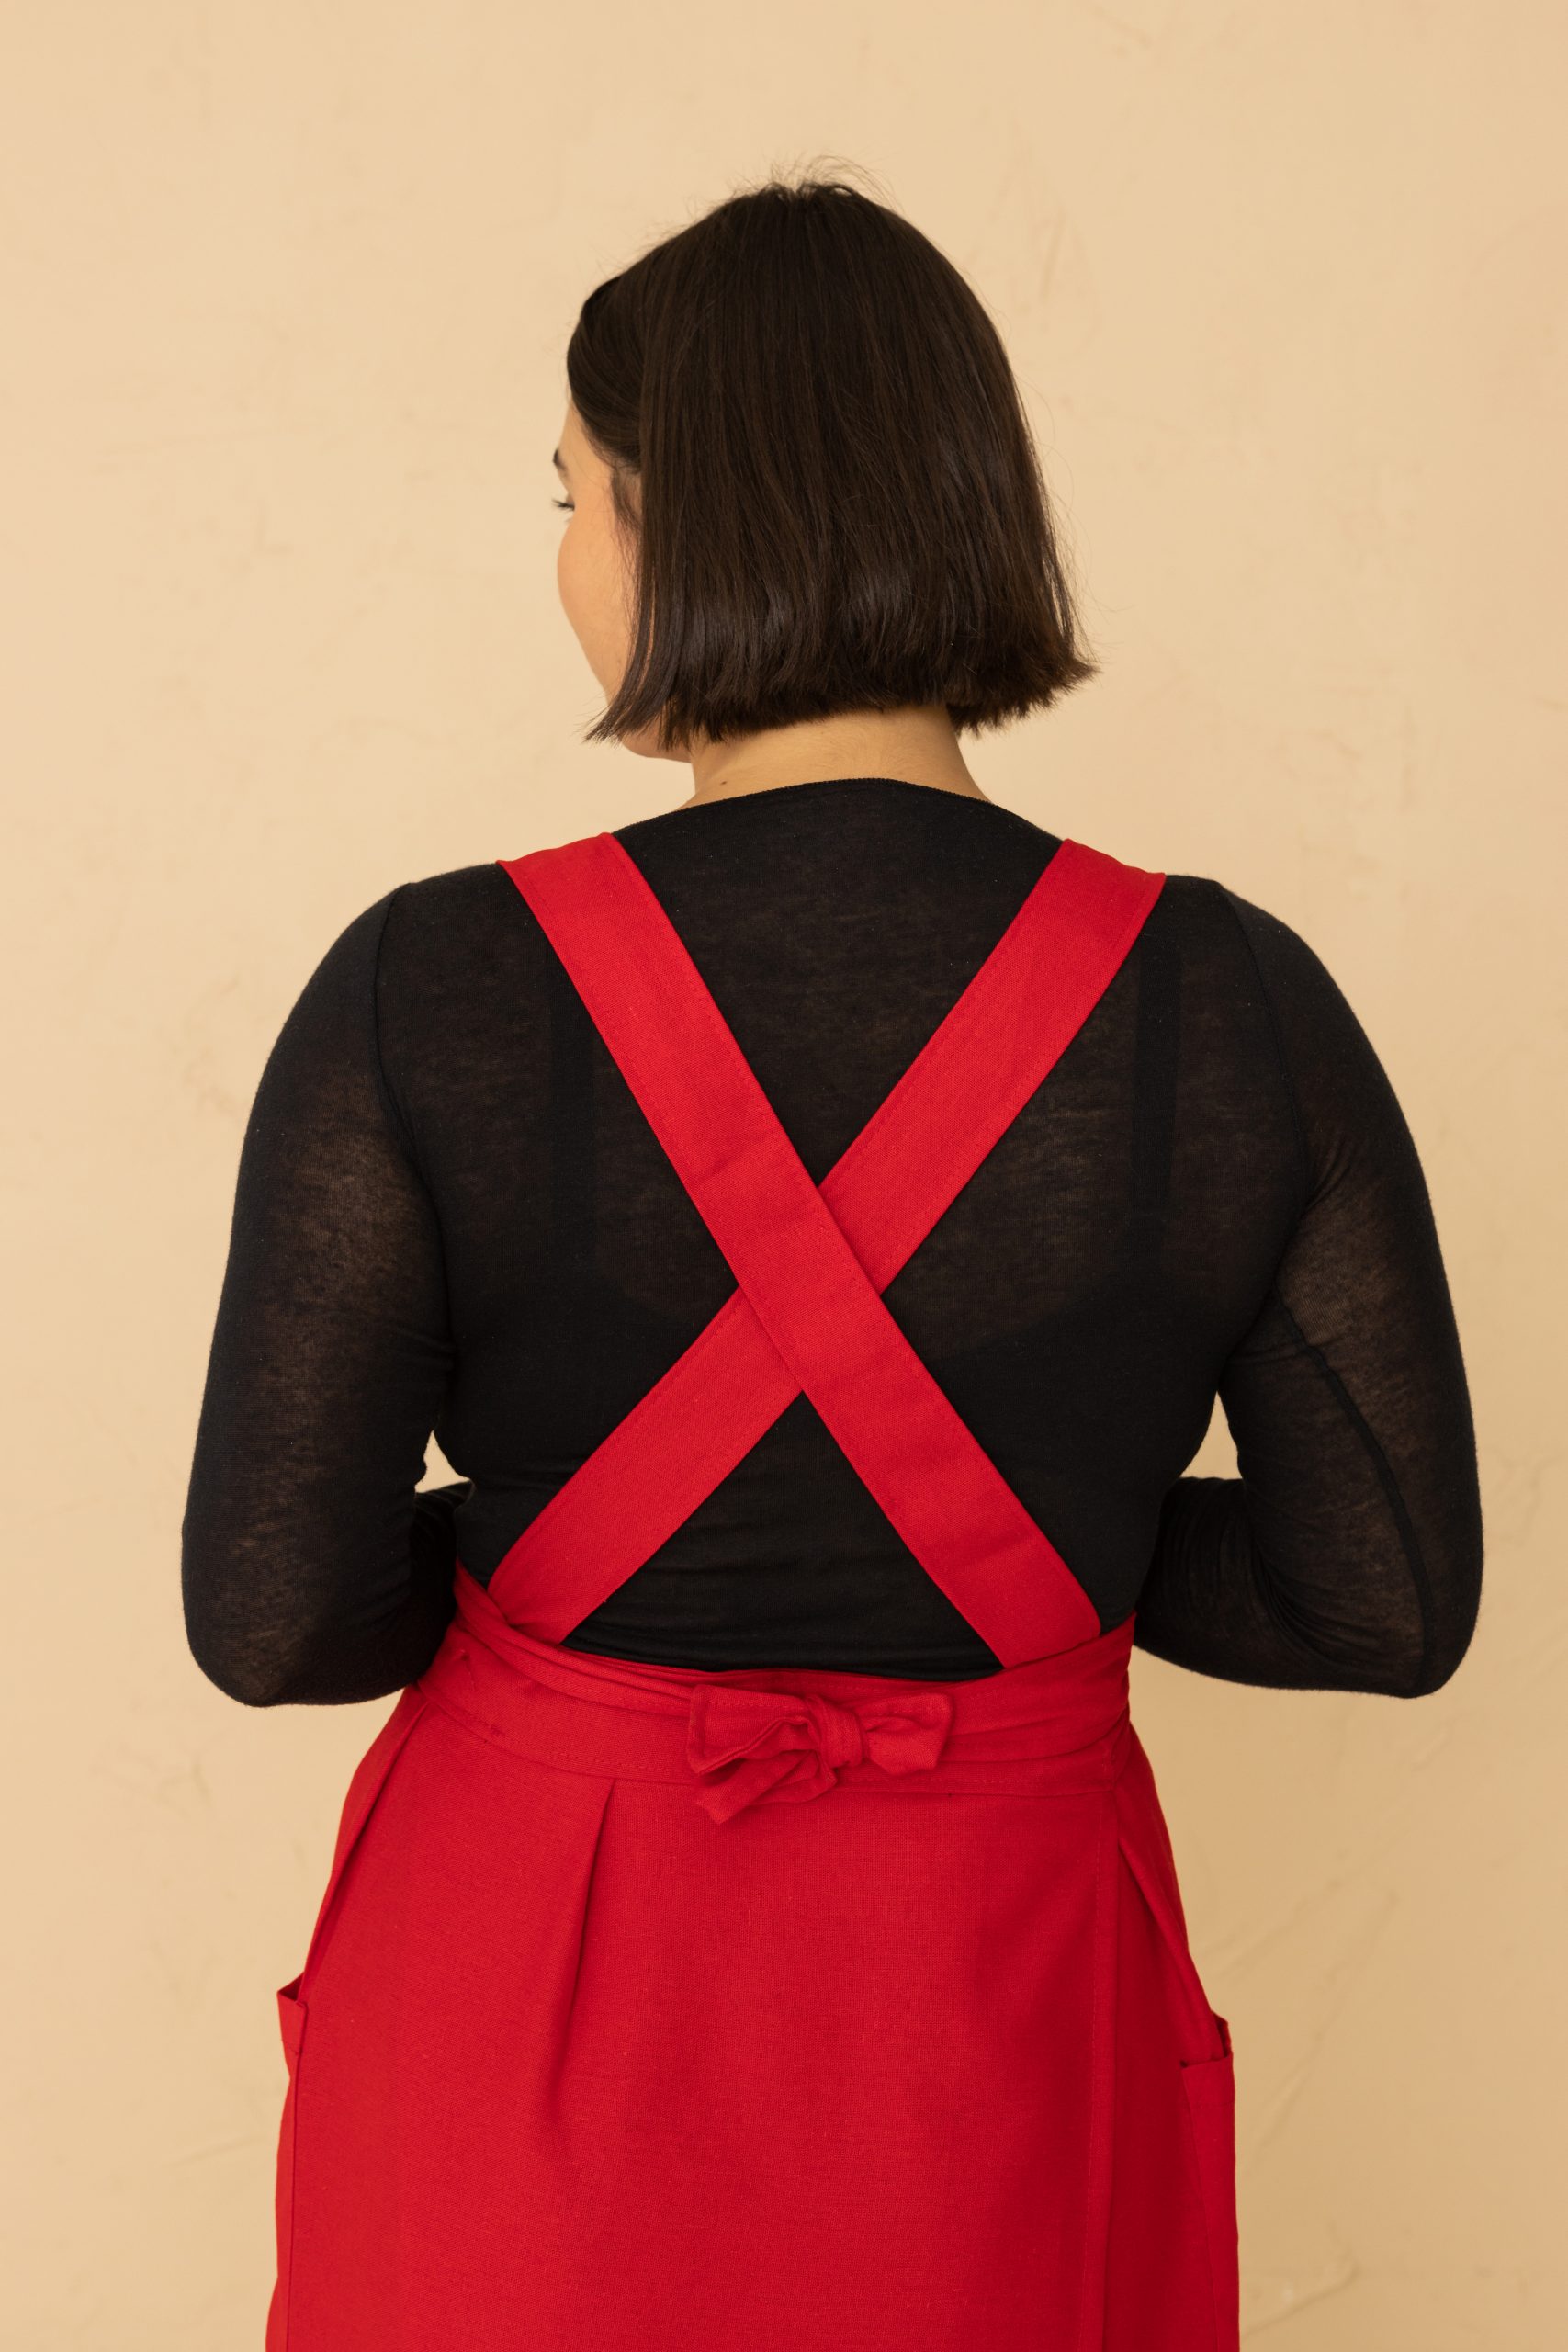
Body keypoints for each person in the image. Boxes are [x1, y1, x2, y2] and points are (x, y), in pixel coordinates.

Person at [181, 169, 1483, 2352]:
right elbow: (1379, 1596)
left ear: (678, 521)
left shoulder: (434, 985)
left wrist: (570, 1614)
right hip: (994, 1998)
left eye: (573, 495)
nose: (565, 556)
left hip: (529, 1995)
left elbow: (274, 1610)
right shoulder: (1225, 1000)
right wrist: (1044, 1542)